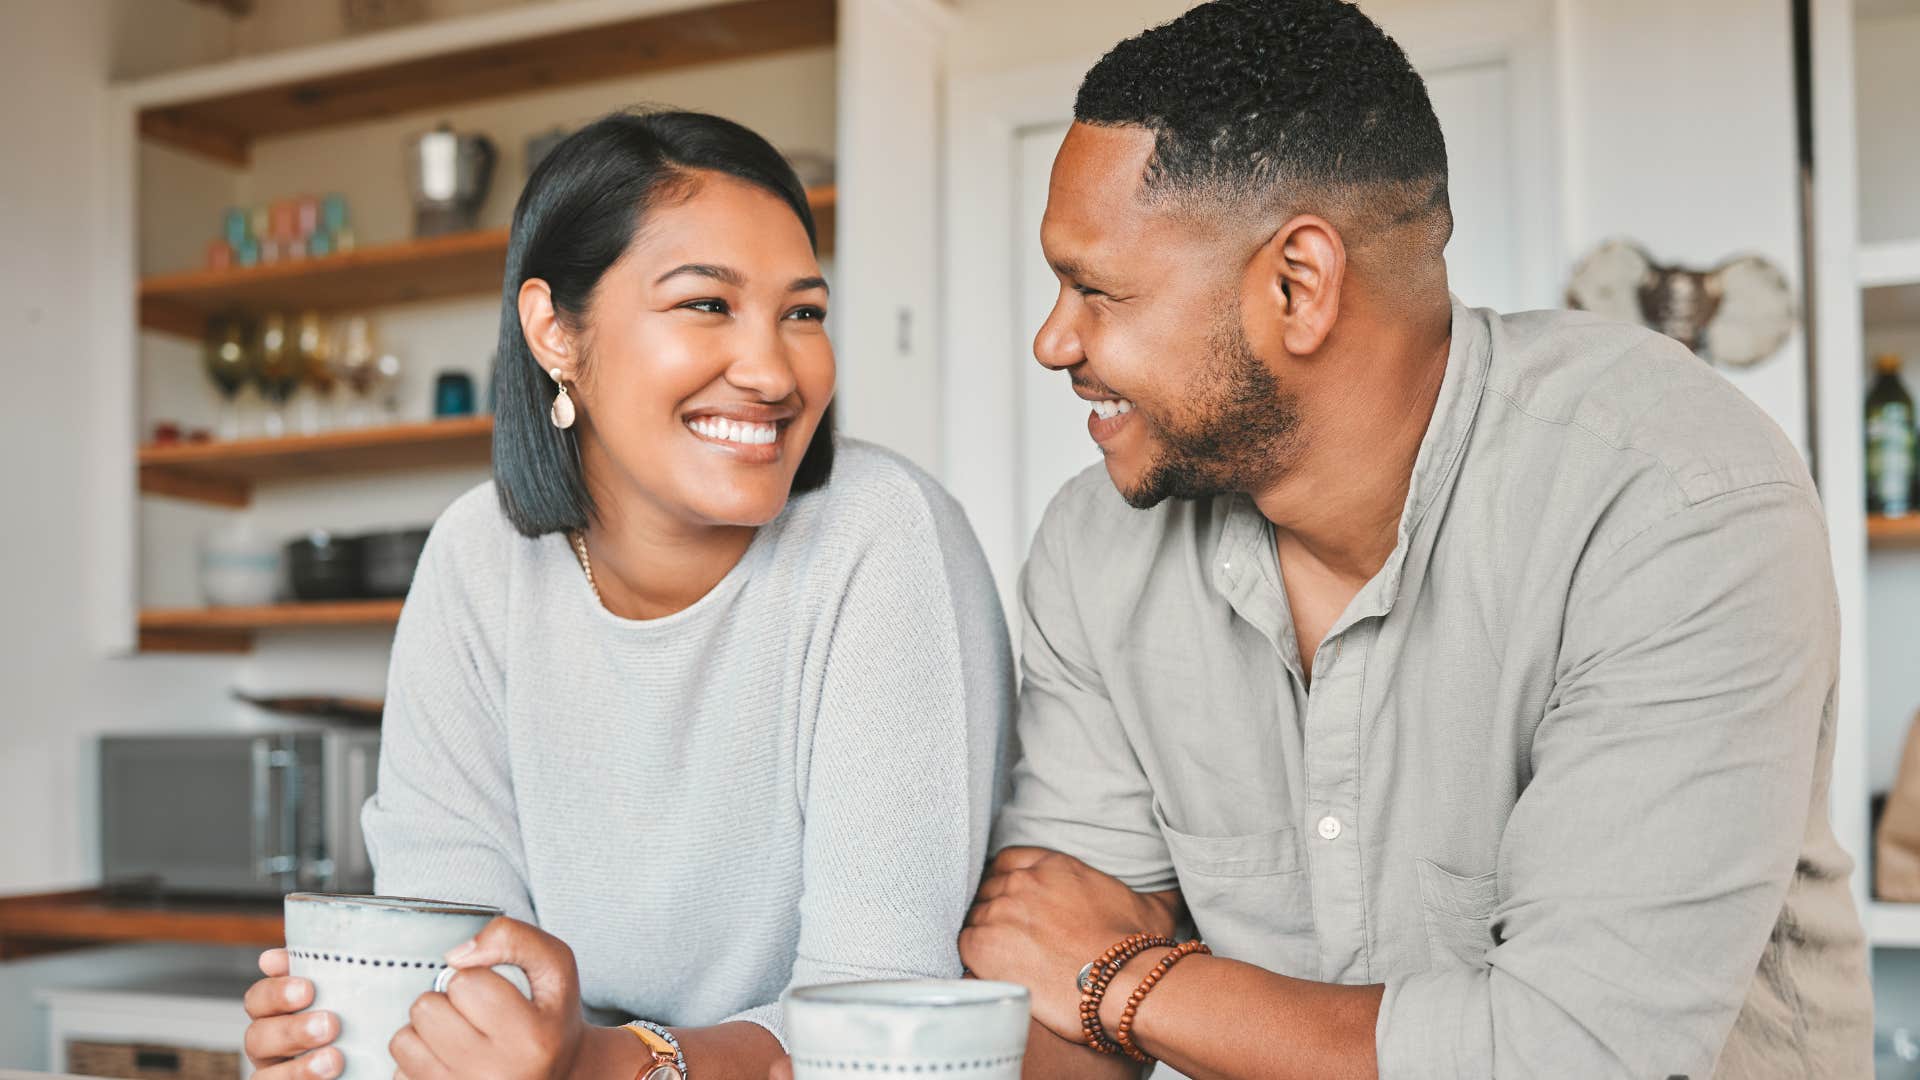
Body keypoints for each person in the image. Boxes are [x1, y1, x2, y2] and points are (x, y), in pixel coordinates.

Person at [957, 2, 1875, 1077]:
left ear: (1298, 285)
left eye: (1096, 290)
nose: (1053, 339)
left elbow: (1571, 1053)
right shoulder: (1095, 543)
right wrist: (1092, 982)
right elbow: (1049, 963)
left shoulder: (1675, 497)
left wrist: (1124, 980)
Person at [239, 110, 1013, 1080]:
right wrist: (359, 1039)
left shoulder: (881, 534)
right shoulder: (476, 560)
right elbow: (456, 965)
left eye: (803, 313)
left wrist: (605, 1063)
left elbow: (876, 1022)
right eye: (705, 305)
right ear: (555, 331)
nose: (773, 372)